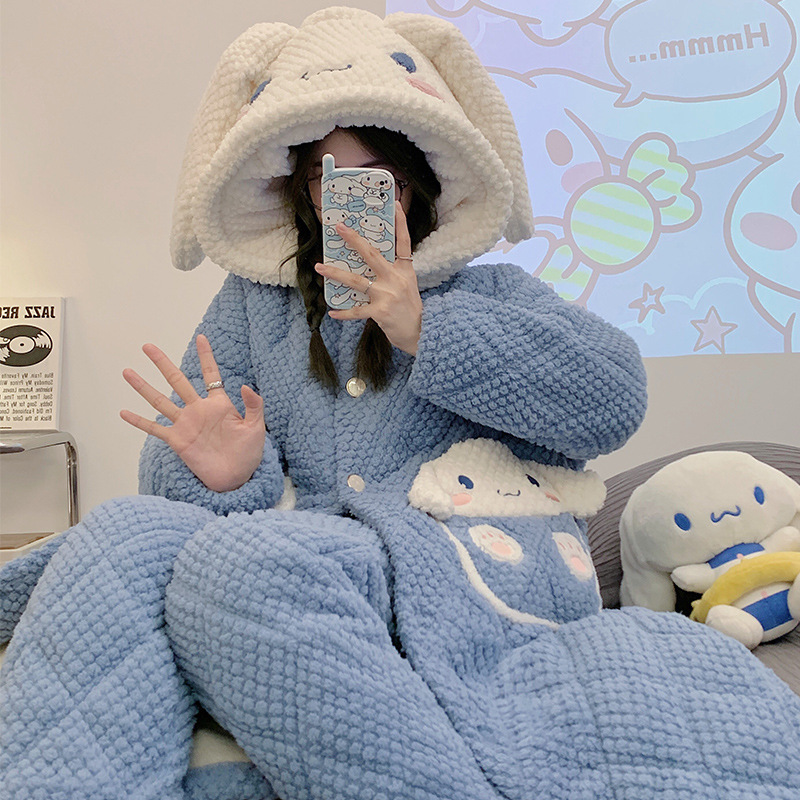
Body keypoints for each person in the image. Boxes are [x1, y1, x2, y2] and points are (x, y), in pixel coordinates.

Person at [2, 8, 798, 800]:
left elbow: (612, 397)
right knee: (122, 530)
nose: (344, 196)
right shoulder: (251, 306)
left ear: (411, 184)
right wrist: (228, 475)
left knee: (239, 563)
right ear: (304, 191)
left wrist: (425, 328)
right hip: (316, 560)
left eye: (371, 178)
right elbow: (184, 462)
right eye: (325, 176)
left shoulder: (490, 293)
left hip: (451, 564)